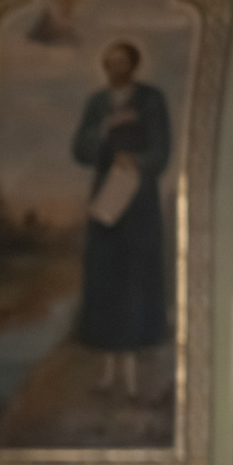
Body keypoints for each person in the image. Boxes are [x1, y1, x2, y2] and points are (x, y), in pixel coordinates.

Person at [71, 39, 171, 399]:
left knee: (132, 281)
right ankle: (108, 373)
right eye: (110, 63)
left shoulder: (150, 100)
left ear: (134, 66)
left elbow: (162, 151)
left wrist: (138, 160)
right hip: (105, 200)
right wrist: (102, 129)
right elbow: (80, 151)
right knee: (105, 280)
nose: (116, 69)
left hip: (138, 201)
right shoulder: (97, 103)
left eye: (122, 63)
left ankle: (129, 379)